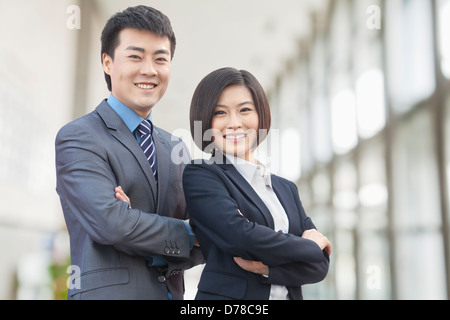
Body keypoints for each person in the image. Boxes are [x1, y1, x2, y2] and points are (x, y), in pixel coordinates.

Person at [55, 5, 203, 300]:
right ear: (108, 63)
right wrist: (187, 232)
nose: (149, 69)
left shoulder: (175, 147)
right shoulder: (79, 137)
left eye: (161, 58)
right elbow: (112, 225)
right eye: (135, 56)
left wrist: (137, 221)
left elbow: (208, 233)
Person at [182, 67, 331, 300]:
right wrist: (309, 246)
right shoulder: (202, 175)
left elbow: (319, 266)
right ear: (205, 122)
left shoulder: (286, 189)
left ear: (261, 114)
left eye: (245, 110)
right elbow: (240, 237)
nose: (234, 123)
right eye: (220, 113)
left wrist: (268, 270)